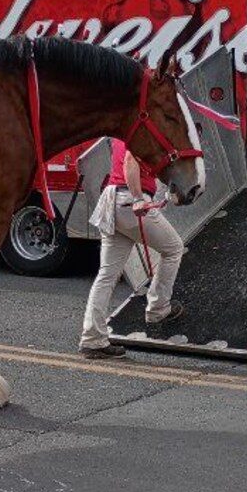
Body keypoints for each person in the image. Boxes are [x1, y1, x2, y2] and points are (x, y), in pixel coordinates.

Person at [79, 139, 185, 359]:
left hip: (112, 200)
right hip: (129, 200)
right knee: (174, 248)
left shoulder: (121, 131)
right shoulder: (136, 130)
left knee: (106, 275)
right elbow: (130, 160)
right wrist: (138, 198)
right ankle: (158, 308)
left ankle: (92, 340)